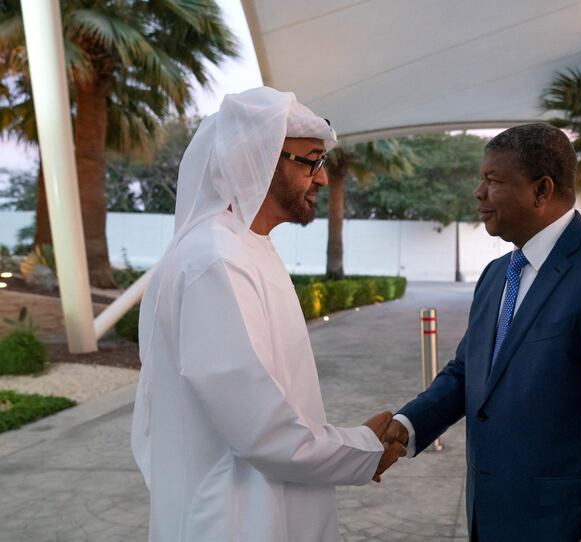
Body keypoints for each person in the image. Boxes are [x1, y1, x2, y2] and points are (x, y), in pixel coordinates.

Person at [131, 87, 405, 542]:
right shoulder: (214, 260)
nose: (321, 179)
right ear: (255, 157)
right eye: (311, 161)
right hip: (232, 518)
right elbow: (260, 429)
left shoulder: (246, 246)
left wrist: (352, 441)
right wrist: (360, 448)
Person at [382, 124, 581, 541]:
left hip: (562, 525)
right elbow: (468, 371)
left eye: (493, 181)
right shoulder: (497, 275)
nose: (479, 192)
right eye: (481, 179)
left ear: (542, 190)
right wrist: (407, 426)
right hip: (489, 516)